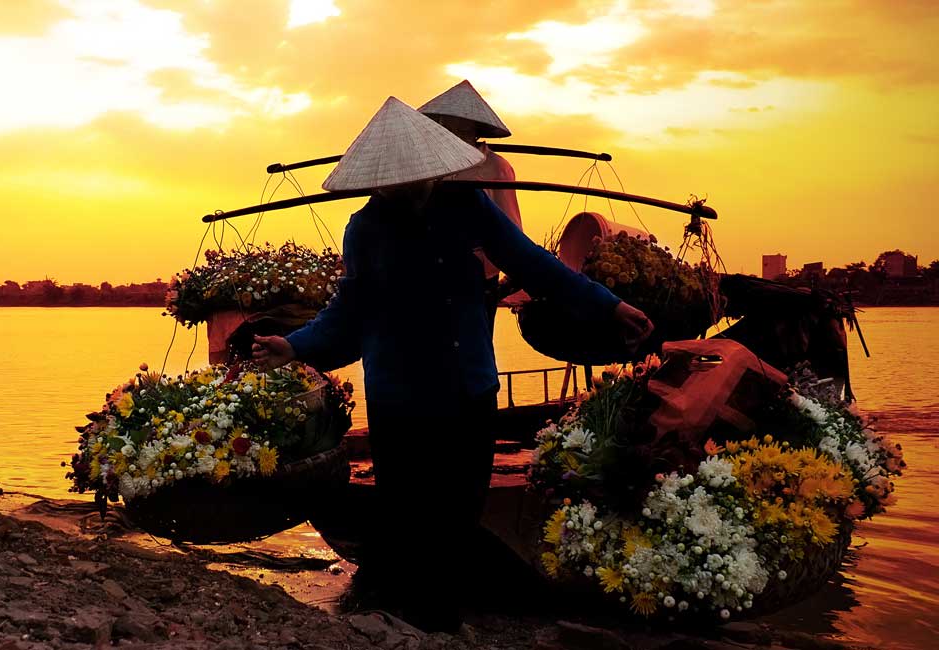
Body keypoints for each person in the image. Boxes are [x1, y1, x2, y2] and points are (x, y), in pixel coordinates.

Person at [252, 97, 653, 632]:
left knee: (460, 509)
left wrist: (609, 305)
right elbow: (349, 313)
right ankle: (413, 616)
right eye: (395, 181)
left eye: (416, 177)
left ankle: (439, 616)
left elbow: (533, 264)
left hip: (469, 388)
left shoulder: (466, 207)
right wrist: (295, 346)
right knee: (407, 514)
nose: (408, 187)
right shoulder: (366, 228)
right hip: (400, 396)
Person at [420, 80, 521, 334]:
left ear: (473, 129)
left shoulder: (496, 168)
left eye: (455, 125)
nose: (447, 130)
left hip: (478, 276)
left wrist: (487, 270)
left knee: (475, 342)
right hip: (429, 271)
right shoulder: (431, 165)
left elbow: (511, 229)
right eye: (443, 124)